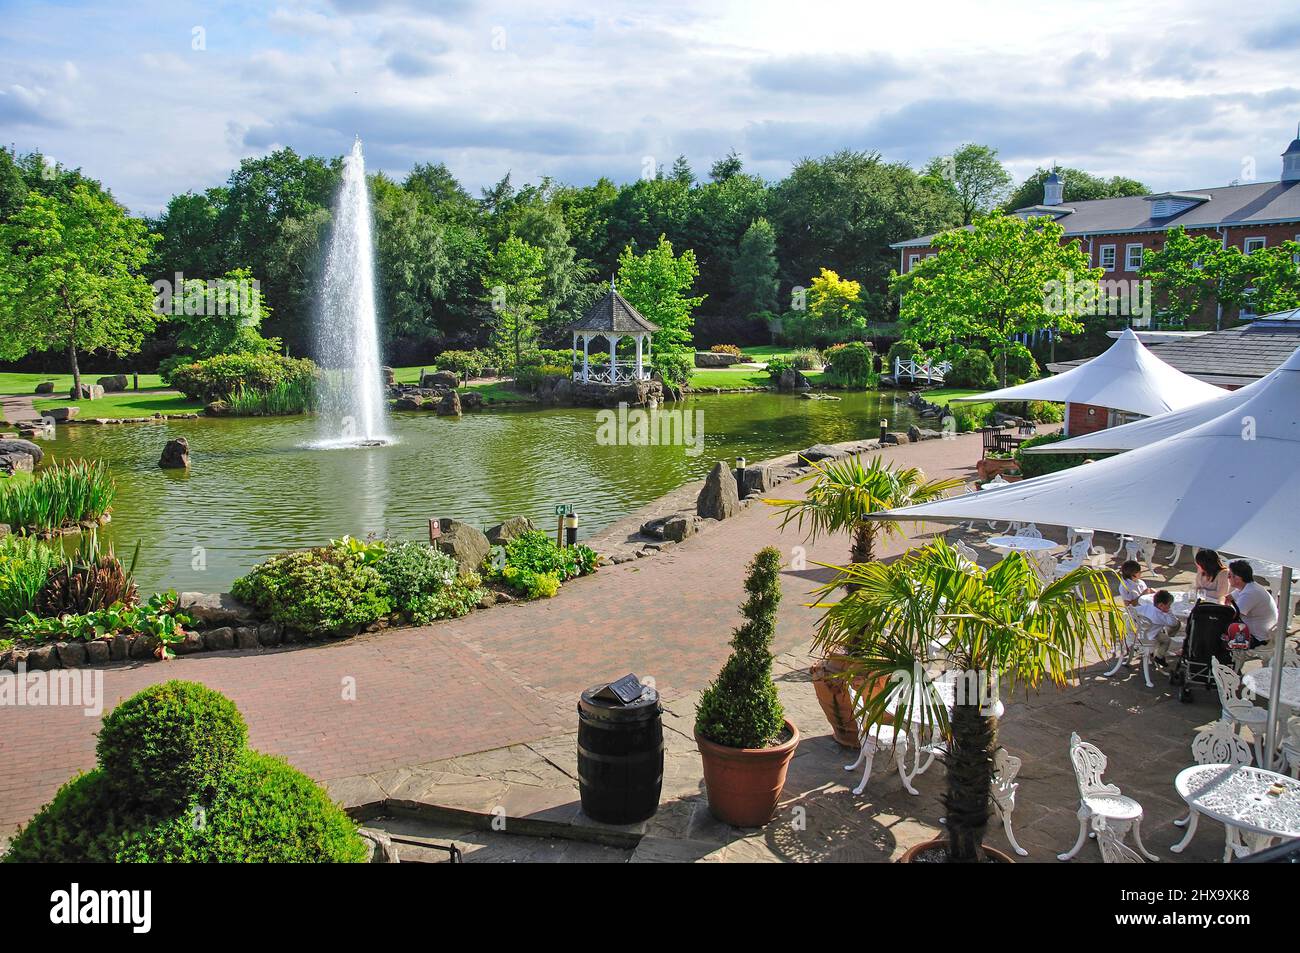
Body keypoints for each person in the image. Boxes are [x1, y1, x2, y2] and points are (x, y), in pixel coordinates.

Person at [1227, 560, 1278, 648]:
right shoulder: (1247, 587)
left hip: (1257, 638)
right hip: (1255, 632)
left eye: (1229, 575)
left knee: (1216, 634)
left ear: (1238, 579)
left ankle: (1226, 660)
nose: (1227, 577)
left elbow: (1233, 615)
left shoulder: (1250, 592)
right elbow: (1228, 598)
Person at [1132, 589, 1181, 665]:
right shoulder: (1160, 616)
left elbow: (1133, 610)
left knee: (1162, 633)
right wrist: (1169, 612)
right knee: (1166, 640)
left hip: (1139, 634)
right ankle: (1159, 656)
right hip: (1151, 637)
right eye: (1168, 606)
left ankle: (1153, 652)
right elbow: (1174, 623)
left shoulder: (1148, 607)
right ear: (1161, 605)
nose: (1169, 607)